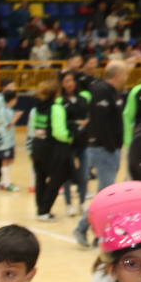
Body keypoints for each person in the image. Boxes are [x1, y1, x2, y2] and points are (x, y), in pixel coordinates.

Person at [73, 61, 128, 245]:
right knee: (107, 196)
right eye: (125, 74)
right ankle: (84, 229)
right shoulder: (102, 90)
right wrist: (111, 146)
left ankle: (99, 234)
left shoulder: (111, 92)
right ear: (117, 75)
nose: (127, 78)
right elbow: (101, 122)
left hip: (109, 149)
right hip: (104, 149)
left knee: (105, 195)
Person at [28, 79, 68, 220]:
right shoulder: (56, 108)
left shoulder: (37, 107)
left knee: (40, 178)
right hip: (50, 148)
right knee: (57, 178)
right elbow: (59, 132)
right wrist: (70, 138)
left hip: (37, 145)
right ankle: (45, 209)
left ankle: (41, 210)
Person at [56, 70, 91, 218]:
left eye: (71, 80)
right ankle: (69, 205)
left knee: (84, 174)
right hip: (68, 143)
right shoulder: (60, 102)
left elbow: (89, 116)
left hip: (83, 141)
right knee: (68, 176)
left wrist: (86, 122)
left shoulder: (83, 99)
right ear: (62, 84)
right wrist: (76, 123)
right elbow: (61, 121)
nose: (69, 84)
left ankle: (82, 202)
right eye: (66, 81)